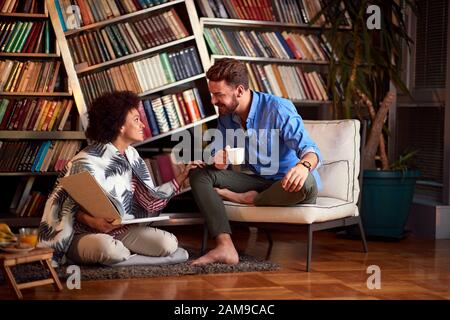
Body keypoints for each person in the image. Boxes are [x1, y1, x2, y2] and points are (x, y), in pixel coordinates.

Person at [38, 91, 201, 265]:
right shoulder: (83, 161)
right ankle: (148, 259)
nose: (143, 125)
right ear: (120, 126)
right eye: (137, 120)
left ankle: (127, 257)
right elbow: (62, 206)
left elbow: (149, 198)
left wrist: (183, 176)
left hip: (121, 231)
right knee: (109, 249)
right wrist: (92, 221)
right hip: (83, 235)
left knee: (168, 243)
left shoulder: (132, 155)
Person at [189, 58, 322, 265]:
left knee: (308, 183)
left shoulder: (277, 109)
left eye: (218, 95)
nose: (213, 101)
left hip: (287, 184)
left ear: (239, 91)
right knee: (199, 175)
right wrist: (215, 160)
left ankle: (248, 199)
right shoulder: (226, 116)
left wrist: (303, 167)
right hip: (259, 180)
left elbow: (310, 150)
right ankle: (225, 246)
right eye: (212, 94)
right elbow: (214, 150)